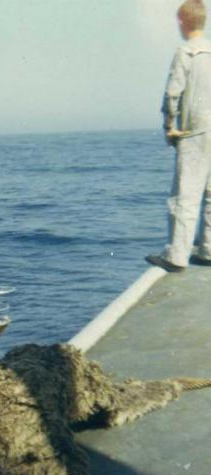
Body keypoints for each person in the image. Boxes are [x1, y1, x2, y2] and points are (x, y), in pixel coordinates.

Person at [147, 0, 211, 272]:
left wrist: (168, 126)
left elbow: (173, 93)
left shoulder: (186, 52)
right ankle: (208, 249)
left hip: (194, 131)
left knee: (184, 196)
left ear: (183, 22)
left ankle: (177, 256)